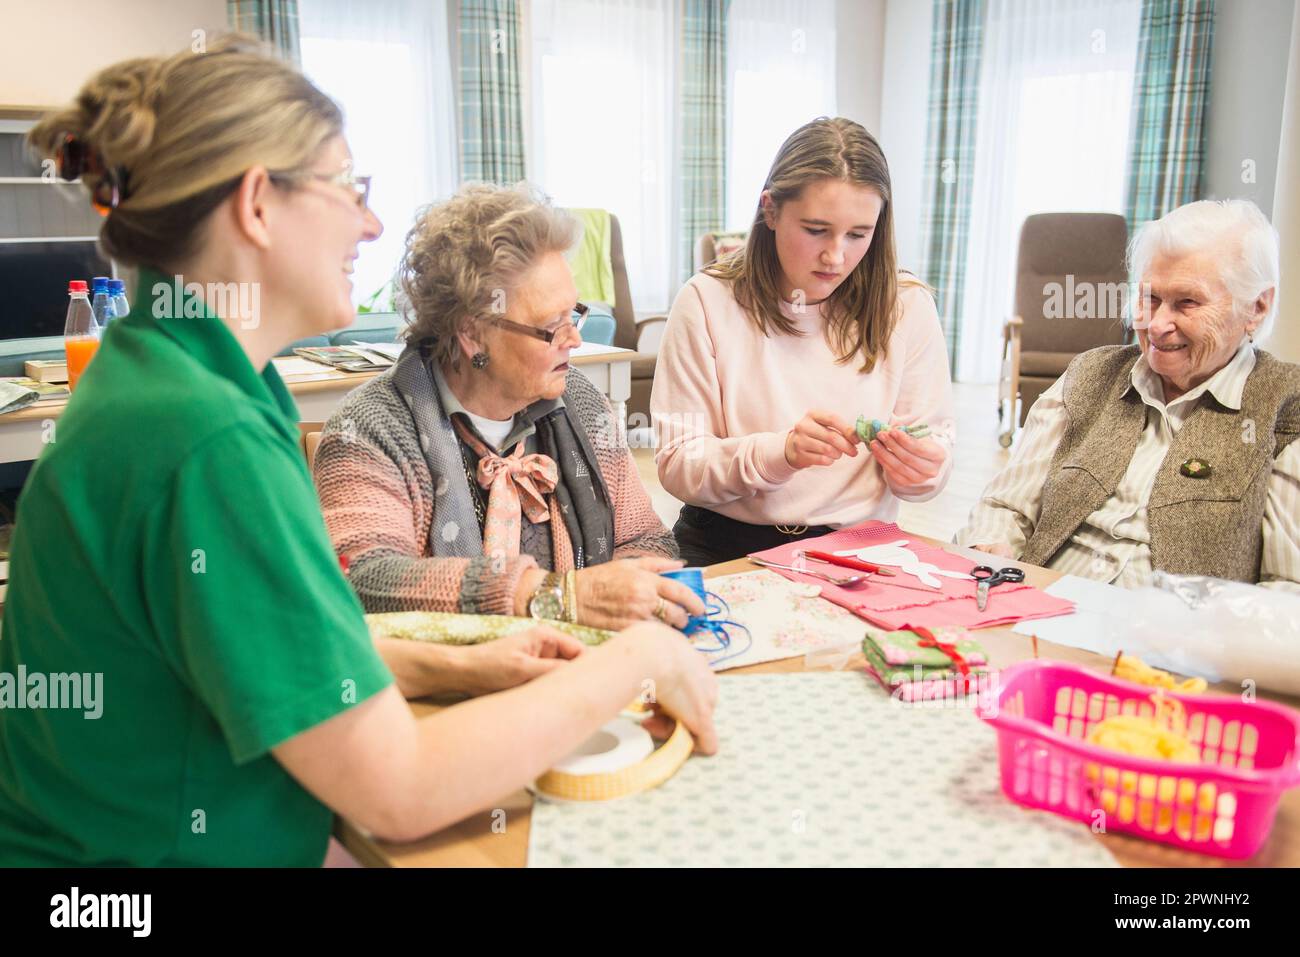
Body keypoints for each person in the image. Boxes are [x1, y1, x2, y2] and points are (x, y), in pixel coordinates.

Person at [0, 37, 716, 867]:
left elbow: (264, 648)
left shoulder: (188, 376)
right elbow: (399, 789)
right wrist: (639, 656)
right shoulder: (206, 439)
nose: (371, 222)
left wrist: (458, 665)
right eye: (348, 186)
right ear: (259, 205)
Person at [313, 183, 706, 631]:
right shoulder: (369, 429)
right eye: (550, 326)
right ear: (472, 333)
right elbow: (363, 579)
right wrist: (555, 598)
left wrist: (624, 594)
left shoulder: (580, 400)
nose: (574, 339)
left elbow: (645, 538)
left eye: (572, 314)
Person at [652, 117, 956, 565]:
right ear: (770, 210)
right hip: (724, 544)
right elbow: (678, 464)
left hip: (860, 550)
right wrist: (781, 453)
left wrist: (923, 470)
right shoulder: (706, 300)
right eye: (816, 230)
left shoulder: (907, 306)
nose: (836, 256)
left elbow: (933, 452)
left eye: (858, 234)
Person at [956, 199, 1300, 590]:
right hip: (1034, 612)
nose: (1156, 325)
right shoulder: (1089, 375)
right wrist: (989, 549)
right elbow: (1005, 506)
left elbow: (1288, 591)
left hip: (1174, 644)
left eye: (1187, 302)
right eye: (1148, 298)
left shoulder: (1286, 409)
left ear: (1256, 307)